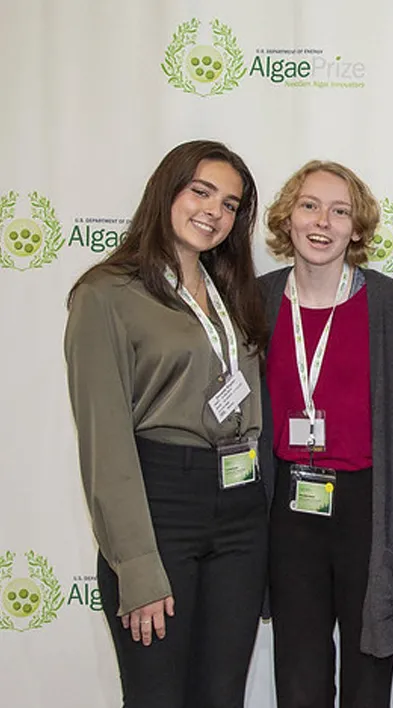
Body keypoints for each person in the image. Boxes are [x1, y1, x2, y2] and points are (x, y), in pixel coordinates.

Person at [64, 139, 269, 707]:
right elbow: (105, 444)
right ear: (166, 190)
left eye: (230, 204)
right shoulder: (105, 294)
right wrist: (135, 564)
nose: (214, 211)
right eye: (201, 191)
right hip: (160, 506)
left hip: (240, 511)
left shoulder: (229, 290)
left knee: (221, 696)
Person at [258, 160, 393, 707]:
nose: (322, 222)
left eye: (340, 211)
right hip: (290, 505)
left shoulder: (383, 299)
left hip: (368, 504)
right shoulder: (256, 300)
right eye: (309, 205)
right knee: (299, 671)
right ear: (288, 218)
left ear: (357, 229)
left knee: (367, 671)